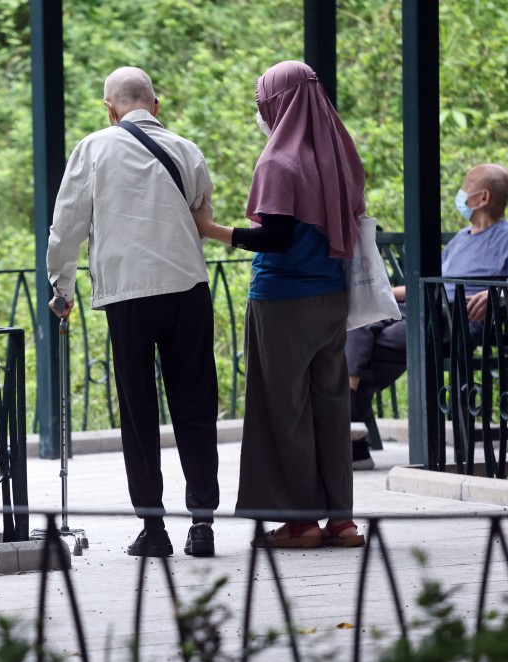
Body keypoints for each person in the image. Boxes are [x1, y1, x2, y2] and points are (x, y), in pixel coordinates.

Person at [46, 66, 220, 558]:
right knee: (195, 406)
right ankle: (202, 524)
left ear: (110, 108)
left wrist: (63, 287)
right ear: (156, 105)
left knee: (139, 412)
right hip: (188, 288)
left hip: (128, 296)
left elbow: (67, 226)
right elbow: (200, 214)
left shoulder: (94, 148)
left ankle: (154, 528)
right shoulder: (187, 150)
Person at [192, 60, 365, 549]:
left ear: (279, 102)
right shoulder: (339, 156)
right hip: (332, 298)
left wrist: (212, 230)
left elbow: (275, 237)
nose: (260, 111)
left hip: (282, 302)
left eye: (261, 101)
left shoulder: (277, 163)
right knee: (331, 408)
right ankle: (341, 521)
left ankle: (299, 524)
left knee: (281, 409)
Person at [347, 163, 508, 469]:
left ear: (482, 197)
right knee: (360, 319)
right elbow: (430, 284)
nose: (459, 193)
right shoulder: (461, 238)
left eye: (465, 186)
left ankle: (349, 429)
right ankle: (350, 423)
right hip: (425, 311)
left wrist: (494, 295)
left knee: (367, 352)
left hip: (457, 321)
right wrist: (373, 296)